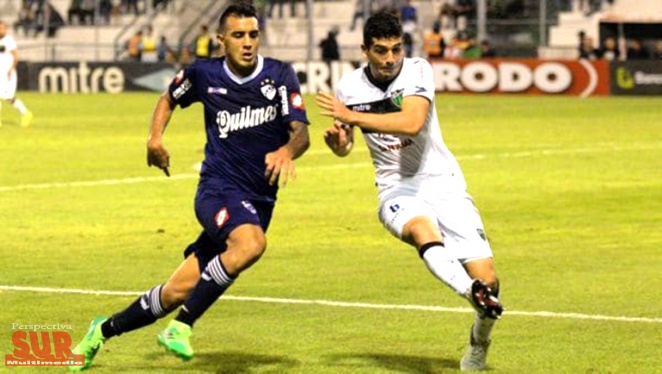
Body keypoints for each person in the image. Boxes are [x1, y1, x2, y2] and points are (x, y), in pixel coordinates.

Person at [68, 3, 310, 371]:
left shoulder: (279, 75)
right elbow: (168, 98)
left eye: (254, 35)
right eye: (239, 35)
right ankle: (180, 327)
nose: (248, 42)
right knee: (251, 244)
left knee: (175, 291)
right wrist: (154, 139)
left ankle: (100, 331)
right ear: (222, 40)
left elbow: (302, 133)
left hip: (259, 202)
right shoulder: (202, 74)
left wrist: (287, 150)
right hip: (217, 190)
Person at [316, 11, 503, 372]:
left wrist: (351, 118)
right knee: (422, 231)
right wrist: (338, 142)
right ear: (365, 50)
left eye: (395, 49)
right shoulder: (349, 88)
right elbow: (346, 146)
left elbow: (412, 122)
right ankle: (469, 292)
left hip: (443, 182)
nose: (390, 59)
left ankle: (478, 344)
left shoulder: (417, 70)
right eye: (381, 51)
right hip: (396, 188)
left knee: (490, 280)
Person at [0, 20, 33, 128]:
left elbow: (16, 56)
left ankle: (26, 113)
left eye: (2, 28)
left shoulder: (9, 41)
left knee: (9, 97)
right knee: (4, 96)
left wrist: (11, 69)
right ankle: (25, 113)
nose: (1, 30)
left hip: (7, 73)